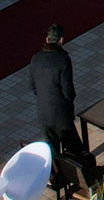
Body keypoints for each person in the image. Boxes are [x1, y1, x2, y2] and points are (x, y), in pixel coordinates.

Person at [30, 23, 97, 191]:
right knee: (74, 148)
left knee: (52, 148)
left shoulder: (35, 58)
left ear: (46, 39)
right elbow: (68, 90)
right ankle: (79, 179)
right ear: (61, 40)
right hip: (61, 115)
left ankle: (56, 179)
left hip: (43, 113)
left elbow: (32, 86)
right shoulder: (63, 59)